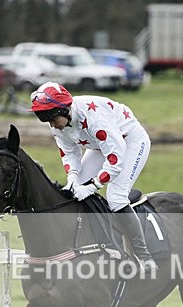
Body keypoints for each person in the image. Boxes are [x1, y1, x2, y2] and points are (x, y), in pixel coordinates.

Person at [30, 81, 157, 273]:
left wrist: (92, 186)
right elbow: (69, 153)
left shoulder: (94, 119)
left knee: (116, 197)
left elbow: (115, 160)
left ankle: (144, 256)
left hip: (129, 141)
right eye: (48, 121)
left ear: (64, 110)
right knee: (73, 193)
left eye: (53, 119)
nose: (52, 125)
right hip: (99, 145)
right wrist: (73, 179)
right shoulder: (59, 123)